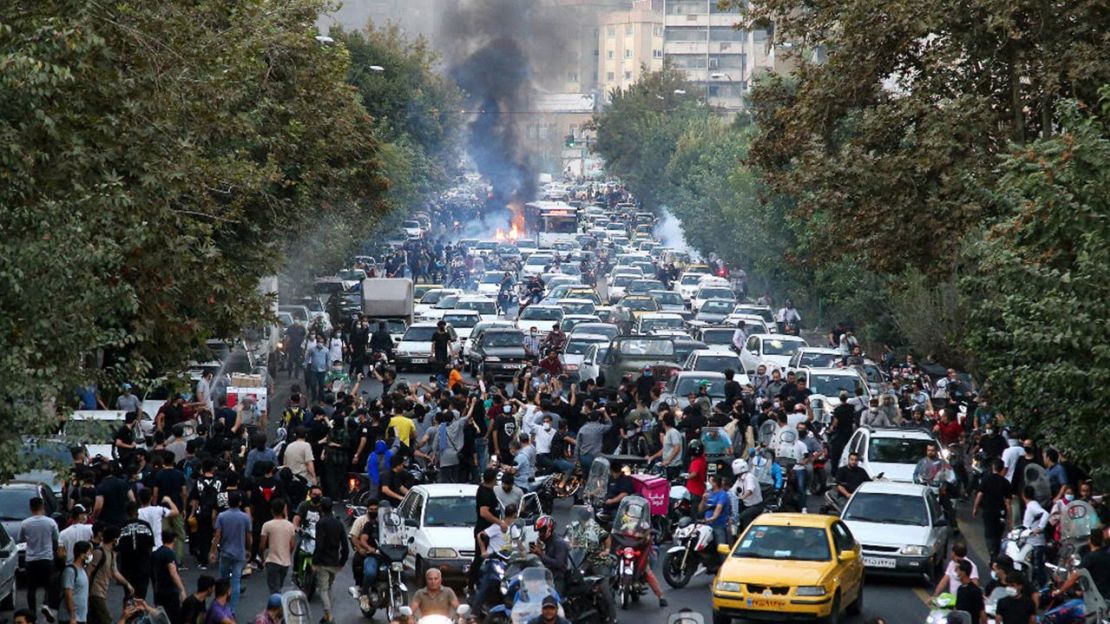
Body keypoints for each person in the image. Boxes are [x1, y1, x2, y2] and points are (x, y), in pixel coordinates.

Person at [1047, 529, 1110, 622]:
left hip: (1096, 601)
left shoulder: (1090, 558)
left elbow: (1074, 577)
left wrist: (1060, 591)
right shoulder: (1107, 556)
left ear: (1090, 540)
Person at [209, 491, 251, 614]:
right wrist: (248, 549)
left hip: (225, 552)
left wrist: (213, 550)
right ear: (240, 502)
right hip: (239, 553)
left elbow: (217, 536)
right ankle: (232, 609)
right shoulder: (245, 517)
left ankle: (221, 604)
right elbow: (249, 536)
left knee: (223, 578)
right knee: (236, 580)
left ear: (227, 502)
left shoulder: (222, 516)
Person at [22, 495, 60, 622]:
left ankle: (31, 615)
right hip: (47, 558)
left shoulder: (25, 523)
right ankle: (46, 604)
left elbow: (21, 539)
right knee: (49, 585)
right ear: (43, 506)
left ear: (30, 508)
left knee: (31, 588)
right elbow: (56, 538)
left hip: (31, 560)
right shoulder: (50, 522)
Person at [89, 525, 134, 624]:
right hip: (95, 592)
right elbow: (89, 572)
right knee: (107, 619)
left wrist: (127, 584)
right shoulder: (98, 552)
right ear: (114, 539)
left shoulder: (112, 554)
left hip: (103, 591)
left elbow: (115, 571)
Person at [314, 498, 349, 624]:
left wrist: (315, 561)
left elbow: (319, 544)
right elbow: (345, 545)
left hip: (323, 562)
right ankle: (326, 615)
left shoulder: (321, 523)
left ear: (321, 508)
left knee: (323, 590)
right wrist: (342, 562)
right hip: (335, 562)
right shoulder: (338, 524)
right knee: (328, 588)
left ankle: (329, 616)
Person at [972, 458, 1013, 559]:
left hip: (988, 511)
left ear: (993, 467)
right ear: (1002, 469)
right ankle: (996, 551)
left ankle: (992, 553)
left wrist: (975, 507)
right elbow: (1008, 503)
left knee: (989, 533)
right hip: (1001, 513)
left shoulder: (986, 479)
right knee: (998, 534)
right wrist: (1009, 519)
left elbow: (980, 494)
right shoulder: (1005, 482)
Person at [259, 498, 295, 594]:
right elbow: (292, 545)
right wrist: (287, 554)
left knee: (273, 589)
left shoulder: (267, 525)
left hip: (272, 561)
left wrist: (263, 558)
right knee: (279, 586)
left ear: (272, 510)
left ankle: (276, 607)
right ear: (284, 510)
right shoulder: (290, 526)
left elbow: (262, 546)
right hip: (285, 562)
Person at [151, 531, 187, 623]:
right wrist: (182, 589)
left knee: (162, 617)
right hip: (170, 590)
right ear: (174, 539)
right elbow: (173, 573)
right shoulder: (169, 554)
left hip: (158, 589)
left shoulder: (156, 553)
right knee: (174, 617)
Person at [1020, 485, 1050, 587]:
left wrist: (1040, 528)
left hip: (1036, 542)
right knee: (1032, 566)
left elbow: (1045, 514)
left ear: (1023, 495)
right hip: (1031, 541)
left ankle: (1042, 586)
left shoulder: (1032, 505)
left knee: (1037, 567)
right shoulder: (1031, 505)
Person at [531, 516, 569, 593]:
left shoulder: (559, 543)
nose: (539, 534)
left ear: (548, 530)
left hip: (557, 578)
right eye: (539, 532)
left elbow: (559, 564)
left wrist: (541, 554)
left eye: (541, 531)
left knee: (554, 600)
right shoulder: (548, 541)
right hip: (547, 576)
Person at [59, 540, 91, 624]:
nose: (90, 556)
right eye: (89, 553)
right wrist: (73, 616)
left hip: (81, 617)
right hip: (69, 618)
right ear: (82, 555)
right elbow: (68, 594)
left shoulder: (83, 571)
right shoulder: (70, 571)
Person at [699, 474, 732, 547]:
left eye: (710, 481)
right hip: (707, 526)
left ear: (715, 483)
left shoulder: (723, 495)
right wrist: (703, 500)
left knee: (721, 548)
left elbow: (718, 509)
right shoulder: (708, 493)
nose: (708, 483)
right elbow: (700, 510)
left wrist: (711, 518)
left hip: (718, 525)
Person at [733, 459, 764, 533]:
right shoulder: (740, 479)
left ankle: (747, 533)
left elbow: (750, 490)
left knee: (743, 516)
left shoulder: (749, 477)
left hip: (756, 506)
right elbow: (733, 489)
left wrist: (742, 497)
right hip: (746, 505)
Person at [685, 440, 708, 517]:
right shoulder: (702, 459)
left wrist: (685, 477)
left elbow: (694, 474)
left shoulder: (696, 462)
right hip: (699, 489)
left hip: (695, 491)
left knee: (694, 512)